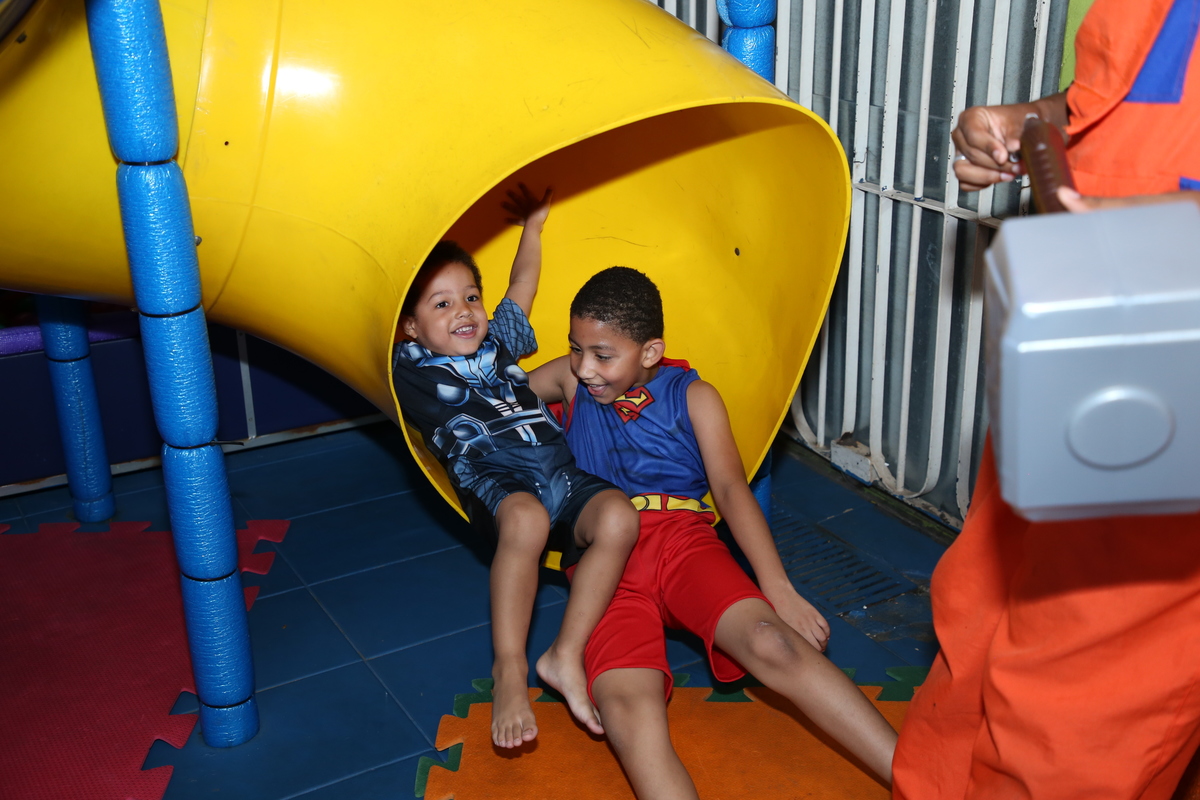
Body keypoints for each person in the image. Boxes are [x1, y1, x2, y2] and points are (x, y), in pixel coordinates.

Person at [893, 2, 1200, 797]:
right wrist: (1030, 123)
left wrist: (1134, 230)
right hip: (1081, 340)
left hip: (1172, 357)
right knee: (978, 617)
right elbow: (1118, 104)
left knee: (1086, 706)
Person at [530, 266, 898, 799]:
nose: (585, 367)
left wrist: (778, 588)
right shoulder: (571, 381)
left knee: (773, 642)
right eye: (575, 348)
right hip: (603, 561)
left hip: (682, 540)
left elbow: (730, 489)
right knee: (626, 709)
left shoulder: (695, 395)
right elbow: (496, 400)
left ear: (651, 352)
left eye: (602, 355)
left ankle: (923, 782)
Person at [391, 186, 639, 750]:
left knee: (620, 518)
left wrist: (533, 227)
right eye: (441, 304)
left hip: (559, 470)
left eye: (470, 297)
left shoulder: (500, 343)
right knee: (527, 521)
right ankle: (510, 669)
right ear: (410, 326)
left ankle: (564, 654)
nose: (464, 311)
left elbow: (521, 285)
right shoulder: (409, 367)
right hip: (495, 477)